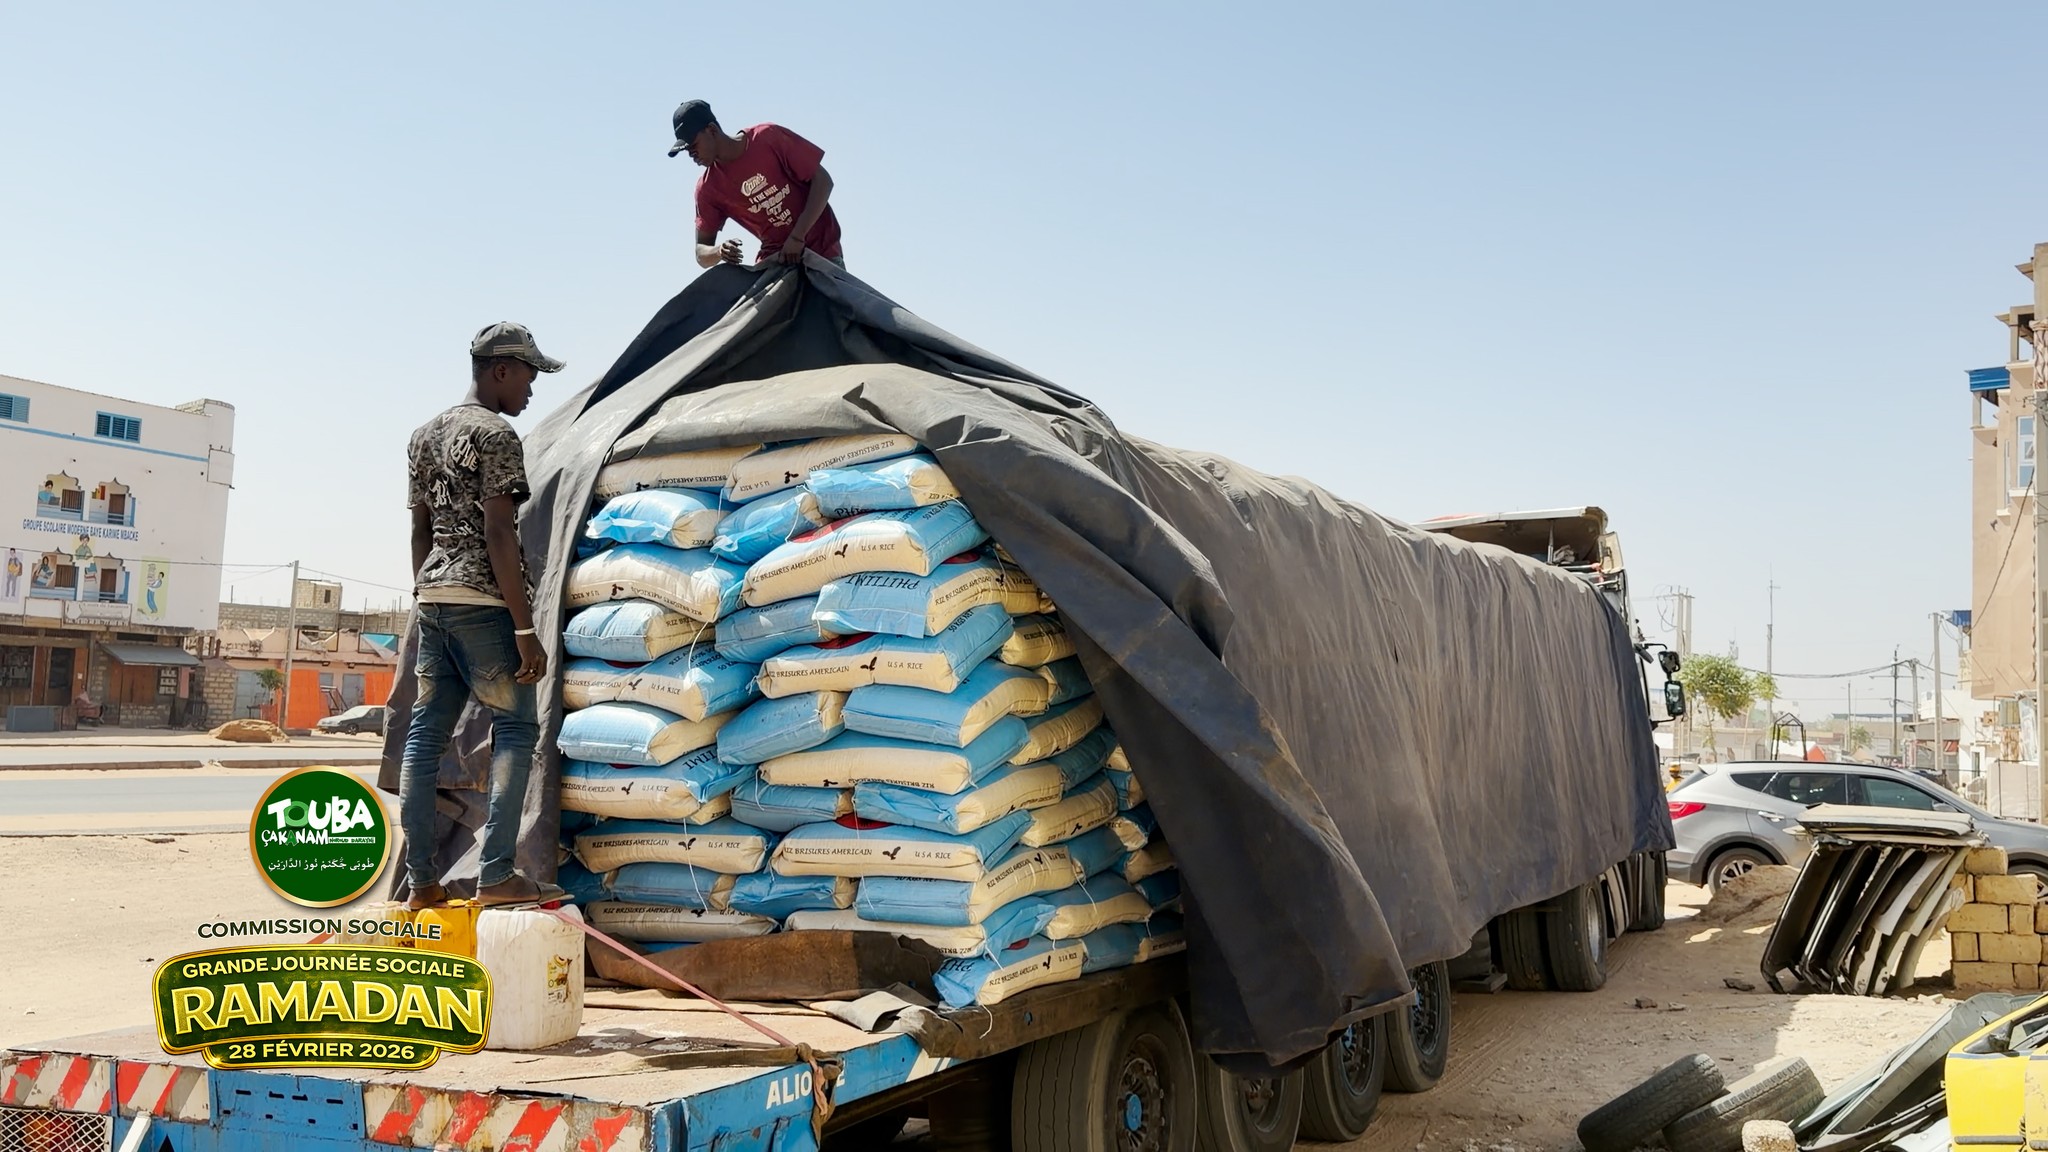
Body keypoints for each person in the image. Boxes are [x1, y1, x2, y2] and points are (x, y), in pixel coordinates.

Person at [398, 321, 565, 910]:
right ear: (500, 370)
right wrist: (525, 629)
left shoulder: (423, 435)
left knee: (425, 737)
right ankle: (495, 872)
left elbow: (419, 530)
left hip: (435, 601)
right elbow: (499, 532)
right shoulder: (495, 436)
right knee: (517, 728)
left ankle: (422, 884)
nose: (530, 389)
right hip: (485, 606)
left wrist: (424, 597)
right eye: (527, 375)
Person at [668, 100, 845, 270]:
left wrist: (797, 237)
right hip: (777, 262)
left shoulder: (768, 137)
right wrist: (719, 252)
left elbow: (823, 181)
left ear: (712, 130)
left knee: (841, 299)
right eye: (687, 150)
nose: (691, 154)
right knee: (750, 301)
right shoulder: (707, 189)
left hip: (823, 252)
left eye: (693, 145)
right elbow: (701, 253)